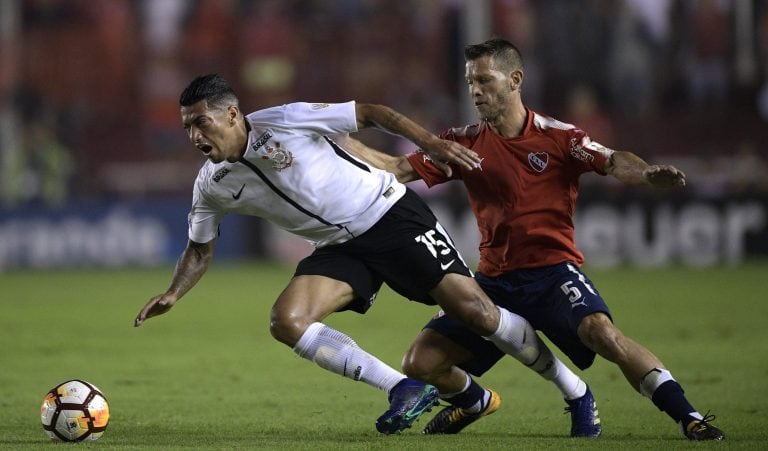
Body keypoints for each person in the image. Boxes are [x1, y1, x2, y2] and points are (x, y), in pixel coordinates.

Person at [133, 73, 596, 435]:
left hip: (390, 215)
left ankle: (574, 391)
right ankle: (408, 389)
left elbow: (372, 112)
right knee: (286, 321)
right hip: (338, 246)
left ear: (232, 114)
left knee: (477, 312)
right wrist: (174, 293)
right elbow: (199, 247)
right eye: (187, 126)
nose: (193, 135)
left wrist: (431, 144)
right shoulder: (210, 185)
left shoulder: (285, 119)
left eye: (200, 122)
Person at [346, 38, 725, 441]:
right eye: (470, 81)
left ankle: (690, 417)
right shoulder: (463, 142)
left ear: (515, 80)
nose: (475, 90)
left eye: (484, 80)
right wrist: (336, 140)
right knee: (419, 363)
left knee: (603, 334)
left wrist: (647, 174)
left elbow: (614, 161)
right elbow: (397, 169)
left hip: (552, 276)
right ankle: (475, 402)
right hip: (493, 284)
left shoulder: (559, 137)